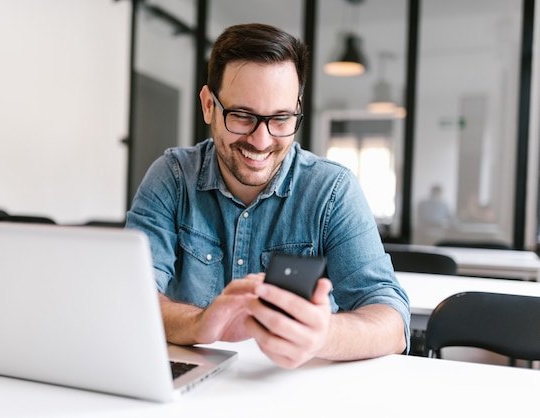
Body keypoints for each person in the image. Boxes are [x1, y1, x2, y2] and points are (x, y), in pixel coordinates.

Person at [126, 23, 410, 369]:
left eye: (280, 118)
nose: (261, 141)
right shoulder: (171, 177)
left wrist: (323, 335)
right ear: (208, 106)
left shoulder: (332, 191)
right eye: (242, 116)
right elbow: (131, 296)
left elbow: (392, 323)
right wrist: (200, 323)